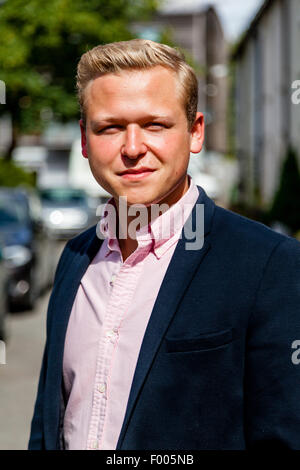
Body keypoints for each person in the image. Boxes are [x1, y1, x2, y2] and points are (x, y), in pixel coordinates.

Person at [29, 39, 300, 450]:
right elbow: (50, 424)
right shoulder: (74, 258)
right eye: (110, 127)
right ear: (84, 140)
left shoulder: (269, 264)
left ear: (195, 132)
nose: (133, 148)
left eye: (155, 125)